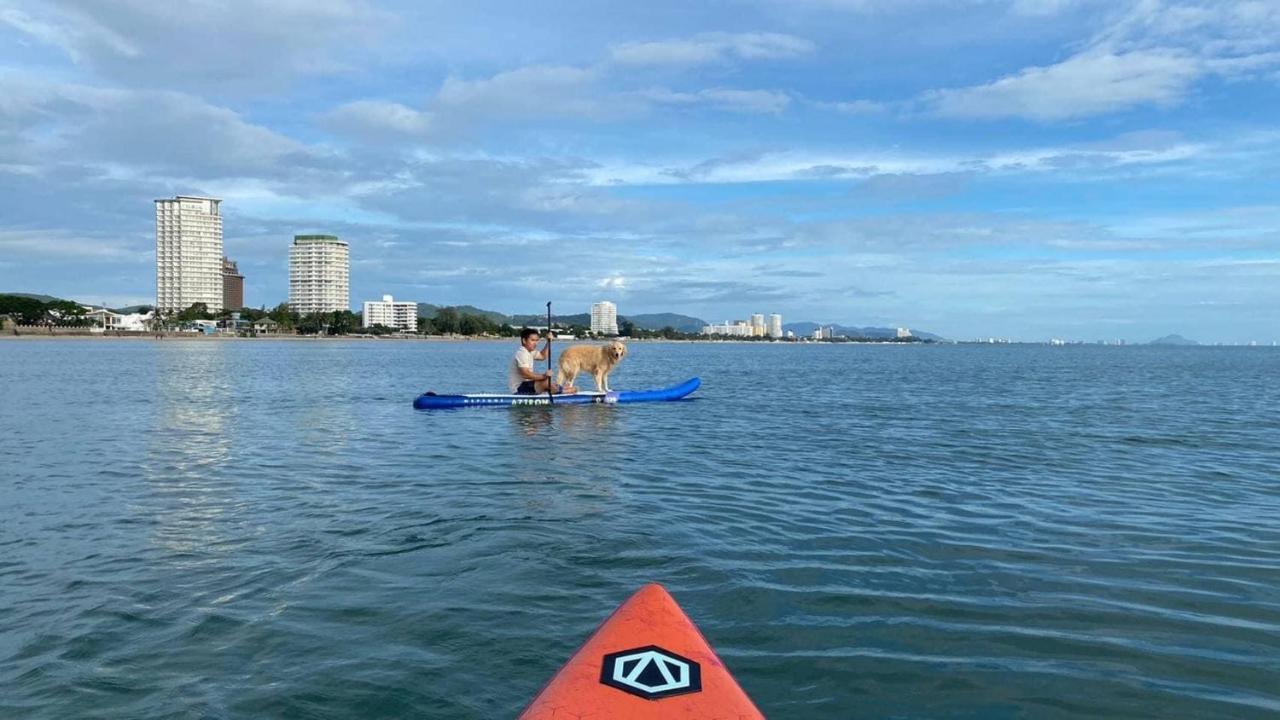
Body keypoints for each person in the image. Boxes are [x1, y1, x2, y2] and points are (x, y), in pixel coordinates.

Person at [509, 328, 577, 395]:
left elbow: (542, 356)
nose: (535, 343)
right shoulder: (522, 353)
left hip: (527, 385)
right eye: (532, 340)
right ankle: (563, 391)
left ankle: (559, 389)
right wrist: (544, 376)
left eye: (536, 340)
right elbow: (525, 374)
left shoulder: (530, 352)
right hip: (519, 389)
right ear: (524, 340)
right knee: (546, 382)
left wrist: (548, 342)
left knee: (548, 382)